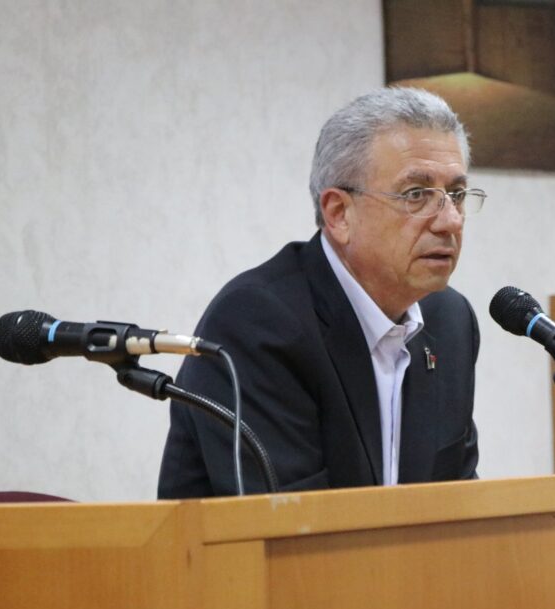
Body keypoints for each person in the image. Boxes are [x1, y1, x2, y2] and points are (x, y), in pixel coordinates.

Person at [158, 87, 485, 497]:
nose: (450, 221)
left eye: (456, 195)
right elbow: (291, 520)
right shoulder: (258, 322)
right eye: (416, 194)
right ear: (339, 213)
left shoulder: (449, 321)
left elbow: (457, 499)